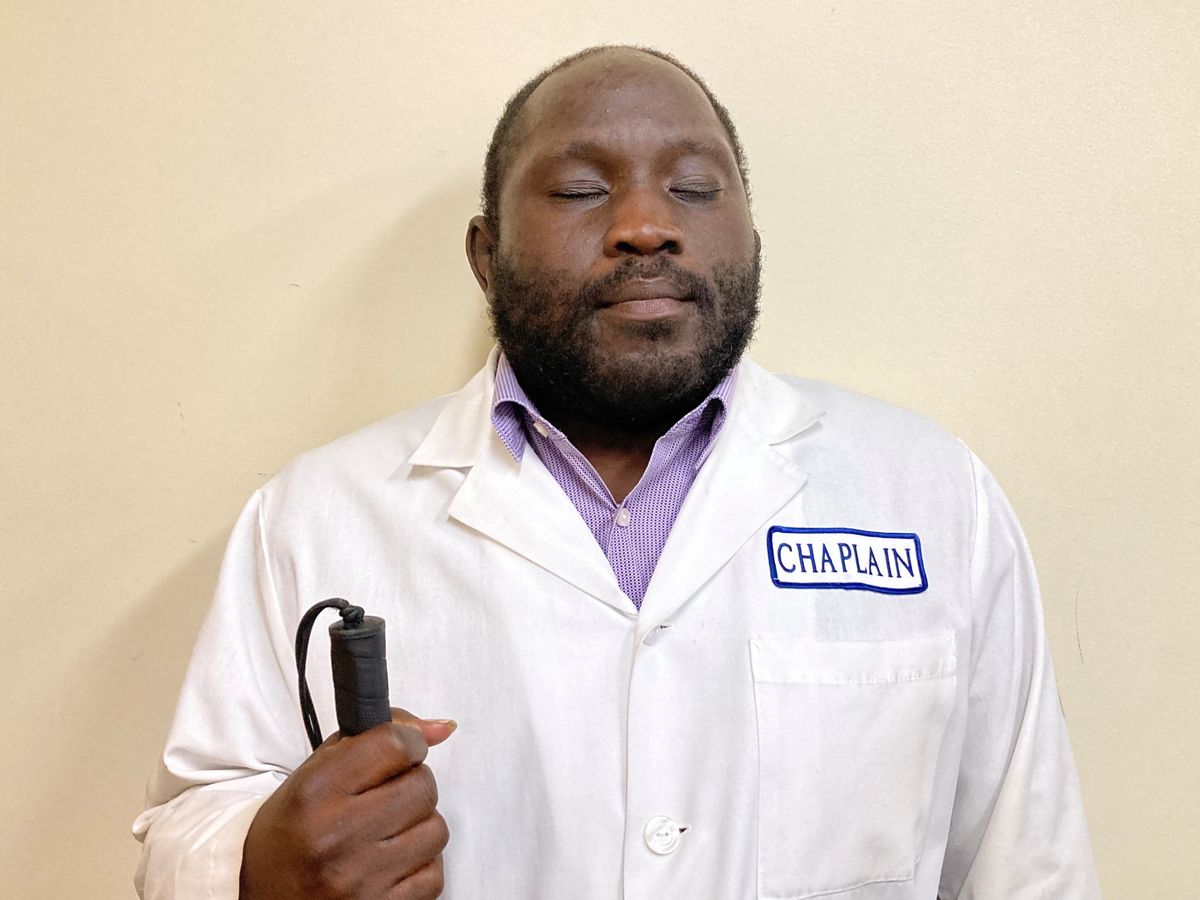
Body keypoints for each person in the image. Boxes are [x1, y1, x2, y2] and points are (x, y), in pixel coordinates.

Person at [134, 45, 1101, 899]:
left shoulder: (931, 495)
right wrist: (254, 869)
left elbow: (1027, 867)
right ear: (486, 256)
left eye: (695, 188)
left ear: (751, 242)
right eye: (578, 190)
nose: (645, 224)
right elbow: (192, 816)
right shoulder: (316, 514)